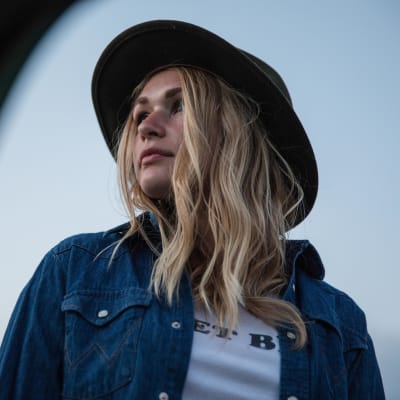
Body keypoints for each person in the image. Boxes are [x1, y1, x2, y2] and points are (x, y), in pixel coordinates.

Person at [0, 20, 384, 400]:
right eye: (139, 114)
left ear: (242, 135)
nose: (145, 126)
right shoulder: (73, 274)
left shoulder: (340, 326)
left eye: (179, 104)